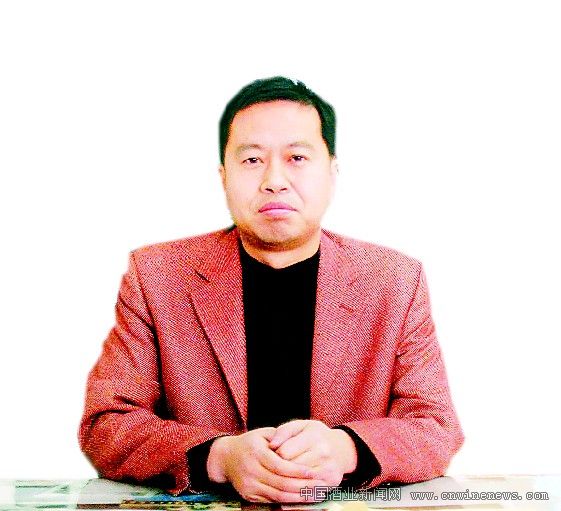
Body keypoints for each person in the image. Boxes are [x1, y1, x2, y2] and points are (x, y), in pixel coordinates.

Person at [79, 76, 464, 503]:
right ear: (223, 177)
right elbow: (106, 424)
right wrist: (219, 457)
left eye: (297, 157)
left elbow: (435, 426)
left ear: (331, 172)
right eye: (252, 160)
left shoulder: (394, 281)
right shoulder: (157, 276)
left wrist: (345, 448)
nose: (274, 180)